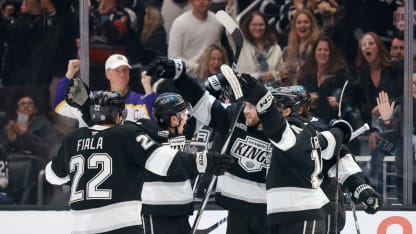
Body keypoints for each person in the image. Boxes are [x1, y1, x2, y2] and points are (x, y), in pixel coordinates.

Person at [45, 90, 233, 234]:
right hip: (120, 226)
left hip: (80, 228)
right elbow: (164, 162)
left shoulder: (72, 139)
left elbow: (52, 176)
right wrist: (203, 161)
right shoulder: (125, 134)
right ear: (119, 115)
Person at [237, 73, 382, 234]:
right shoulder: (272, 128)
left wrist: (359, 187)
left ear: (293, 109)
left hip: (317, 205)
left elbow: (339, 157)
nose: (269, 112)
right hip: (282, 212)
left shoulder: (309, 128)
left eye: (276, 106)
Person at [147, 57, 272, 234]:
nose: (246, 111)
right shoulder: (235, 116)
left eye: (252, 107)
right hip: (237, 209)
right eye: (245, 105)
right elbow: (203, 104)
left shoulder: (279, 128)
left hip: (269, 211)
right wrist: (181, 77)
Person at [54, 54, 156, 127]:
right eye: (117, 70)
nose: (122, 74)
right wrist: (69, 75)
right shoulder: (93, 100)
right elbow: (60, 105)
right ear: (107, 74)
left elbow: (156, 123)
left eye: (125, 70)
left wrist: (148, 89)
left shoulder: (141, 101)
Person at [168, 0, 224, 76]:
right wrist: (199, 67)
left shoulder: (217, 22)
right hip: (185, 76)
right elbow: (173, 58)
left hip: (210, 76)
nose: (201, 1)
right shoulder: (179, 23)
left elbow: (217, 50)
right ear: (190, 1)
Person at [3, 95, 61, 162]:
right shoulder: (10, 128)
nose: (26, 106)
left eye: (30, 103)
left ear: (35, 110)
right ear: (17, 110)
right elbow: (3, 152)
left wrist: (24, 134)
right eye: (22, 103)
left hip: (37, 164)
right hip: (13, 164)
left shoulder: (44, 124)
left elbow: (49, 148)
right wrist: (11, 141)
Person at [236, 11, 286, 88]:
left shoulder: (276, 48)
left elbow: (282, 74)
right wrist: (230, 7)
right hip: (245, 93)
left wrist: (274, 76)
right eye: (254, 25)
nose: (258, 28)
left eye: (261, 25)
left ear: (266, 26)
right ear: (247, 26)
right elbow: (230, 30)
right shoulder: (240, 43)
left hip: (269, 94)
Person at [282, 8, 321, 85]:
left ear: (312, 25)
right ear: (294, 26)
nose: (302, 25)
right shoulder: (287, 50)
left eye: (306, 22)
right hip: (292, 92)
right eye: (299, 22)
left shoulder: (318, 47)